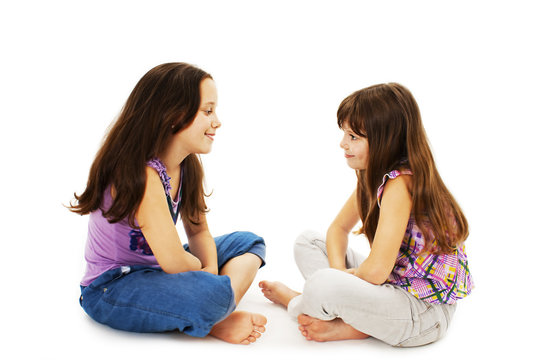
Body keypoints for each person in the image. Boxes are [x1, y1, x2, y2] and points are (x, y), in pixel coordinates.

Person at [260, 83, 473, 347]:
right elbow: (338, 229)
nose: (342, 143)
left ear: (385, 141)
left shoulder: (401, 184)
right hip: (394, 286)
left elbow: (375, 273)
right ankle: (351, 318)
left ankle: (298, 302)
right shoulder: (372, 180)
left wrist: (336, 283)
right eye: (345, 134)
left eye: (353, 137)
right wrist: (339, 275)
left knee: (321, 285)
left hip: (424, 314)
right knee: (308, 242)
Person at [70, 62, 267, 345]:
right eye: (208, 111)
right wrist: (207, 282)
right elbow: (175, 261)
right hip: (113, 288)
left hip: (161, 268)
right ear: (174, 115)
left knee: (248, 243)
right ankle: (212, 314)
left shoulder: (187, 166)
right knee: (212, 295)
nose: (218, 121)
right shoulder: (142, 176)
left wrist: (209, 270)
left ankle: (212, 312)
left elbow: (198, 232)